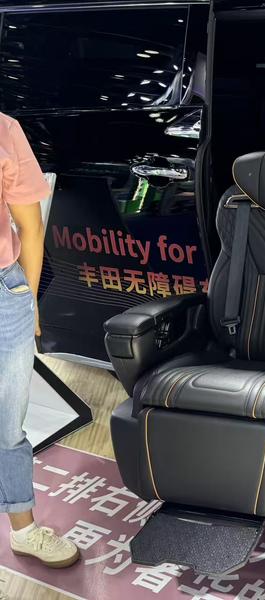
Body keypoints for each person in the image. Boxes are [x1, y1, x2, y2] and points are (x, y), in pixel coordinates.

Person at [0, 114, 80, 578]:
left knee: (7, 424)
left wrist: (27, 301)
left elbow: (30, 227)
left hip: (2, 291)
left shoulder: (5, 130)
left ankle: (23, 529)